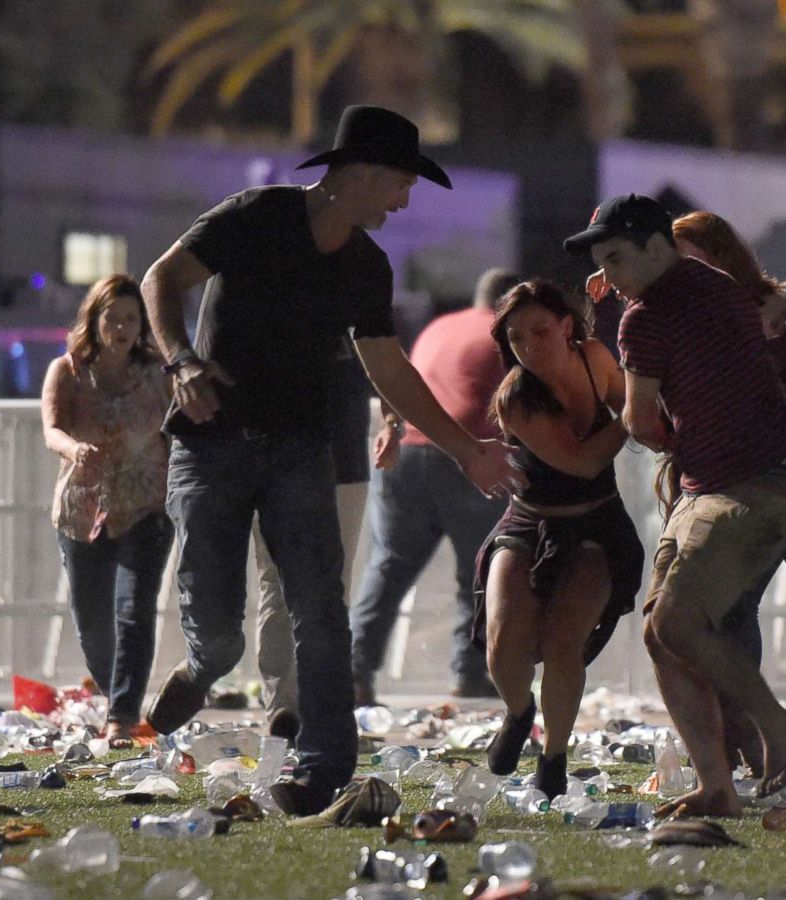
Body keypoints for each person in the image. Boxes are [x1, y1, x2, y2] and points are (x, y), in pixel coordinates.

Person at [139, 105, 514, 817]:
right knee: (220, 634)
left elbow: (389, 367)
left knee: (320, 607)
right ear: (360, 173)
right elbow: (162, 279)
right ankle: (201, 667)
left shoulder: (366, 265)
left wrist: (465, 446)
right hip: (212, 442)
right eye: (400, 184)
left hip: (300, 448)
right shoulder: (254, 216)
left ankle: (323, 768)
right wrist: (180, 361)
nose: (404, 200)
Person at [570, 193, 786, 817]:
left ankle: (775, 728)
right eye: (602, 264)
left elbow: (640, 420)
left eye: (618, 258)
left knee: (674, 625)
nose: (610, 277)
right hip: (750, 482)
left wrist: (673, 436)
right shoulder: (716, 283)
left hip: (737, 486)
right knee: (660, 632)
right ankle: (717, 785)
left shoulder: (642, 318)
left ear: (657, 246)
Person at [474, 280, 642, 799]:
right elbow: (585, 458)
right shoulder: (517, 397)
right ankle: (521, 712)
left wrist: (646, 407)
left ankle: (554, 757)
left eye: (540, 332)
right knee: (504, 643)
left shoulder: (594, 357)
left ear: (567, 327)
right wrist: (637, 412)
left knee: (563, 639)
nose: (529, 346)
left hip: (596, 521)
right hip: (530, 520)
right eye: (517, 337)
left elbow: (627, 397)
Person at [349, 267, 520, 709]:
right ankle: (470, 674)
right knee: (479, 572)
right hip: (466, 453)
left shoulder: (440, 327)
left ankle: (355, 671)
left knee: (389, 566)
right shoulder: (507, 334)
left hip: (406, 451)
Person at [41, 275, 174, 746]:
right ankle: (114, 691)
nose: (121, 328)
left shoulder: (158, 374)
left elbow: (178, 431)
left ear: (143, 325)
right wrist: (75, 450)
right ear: (93, 322)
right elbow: (51, 428)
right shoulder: (69, 371)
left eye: (131, 319)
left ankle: (122, 714)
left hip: (146, 506)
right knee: (94, 623)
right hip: (83, 510)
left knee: (134, 609)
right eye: (112, 318)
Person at [251, 335, 378, 740]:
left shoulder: (274, 303)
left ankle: (292, 705)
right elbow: (385, 360)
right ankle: (304, 705)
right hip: (305, 463)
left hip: (304, 462)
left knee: (284, 584)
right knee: (317, 587)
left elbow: (384, 360)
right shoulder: (349, 299)